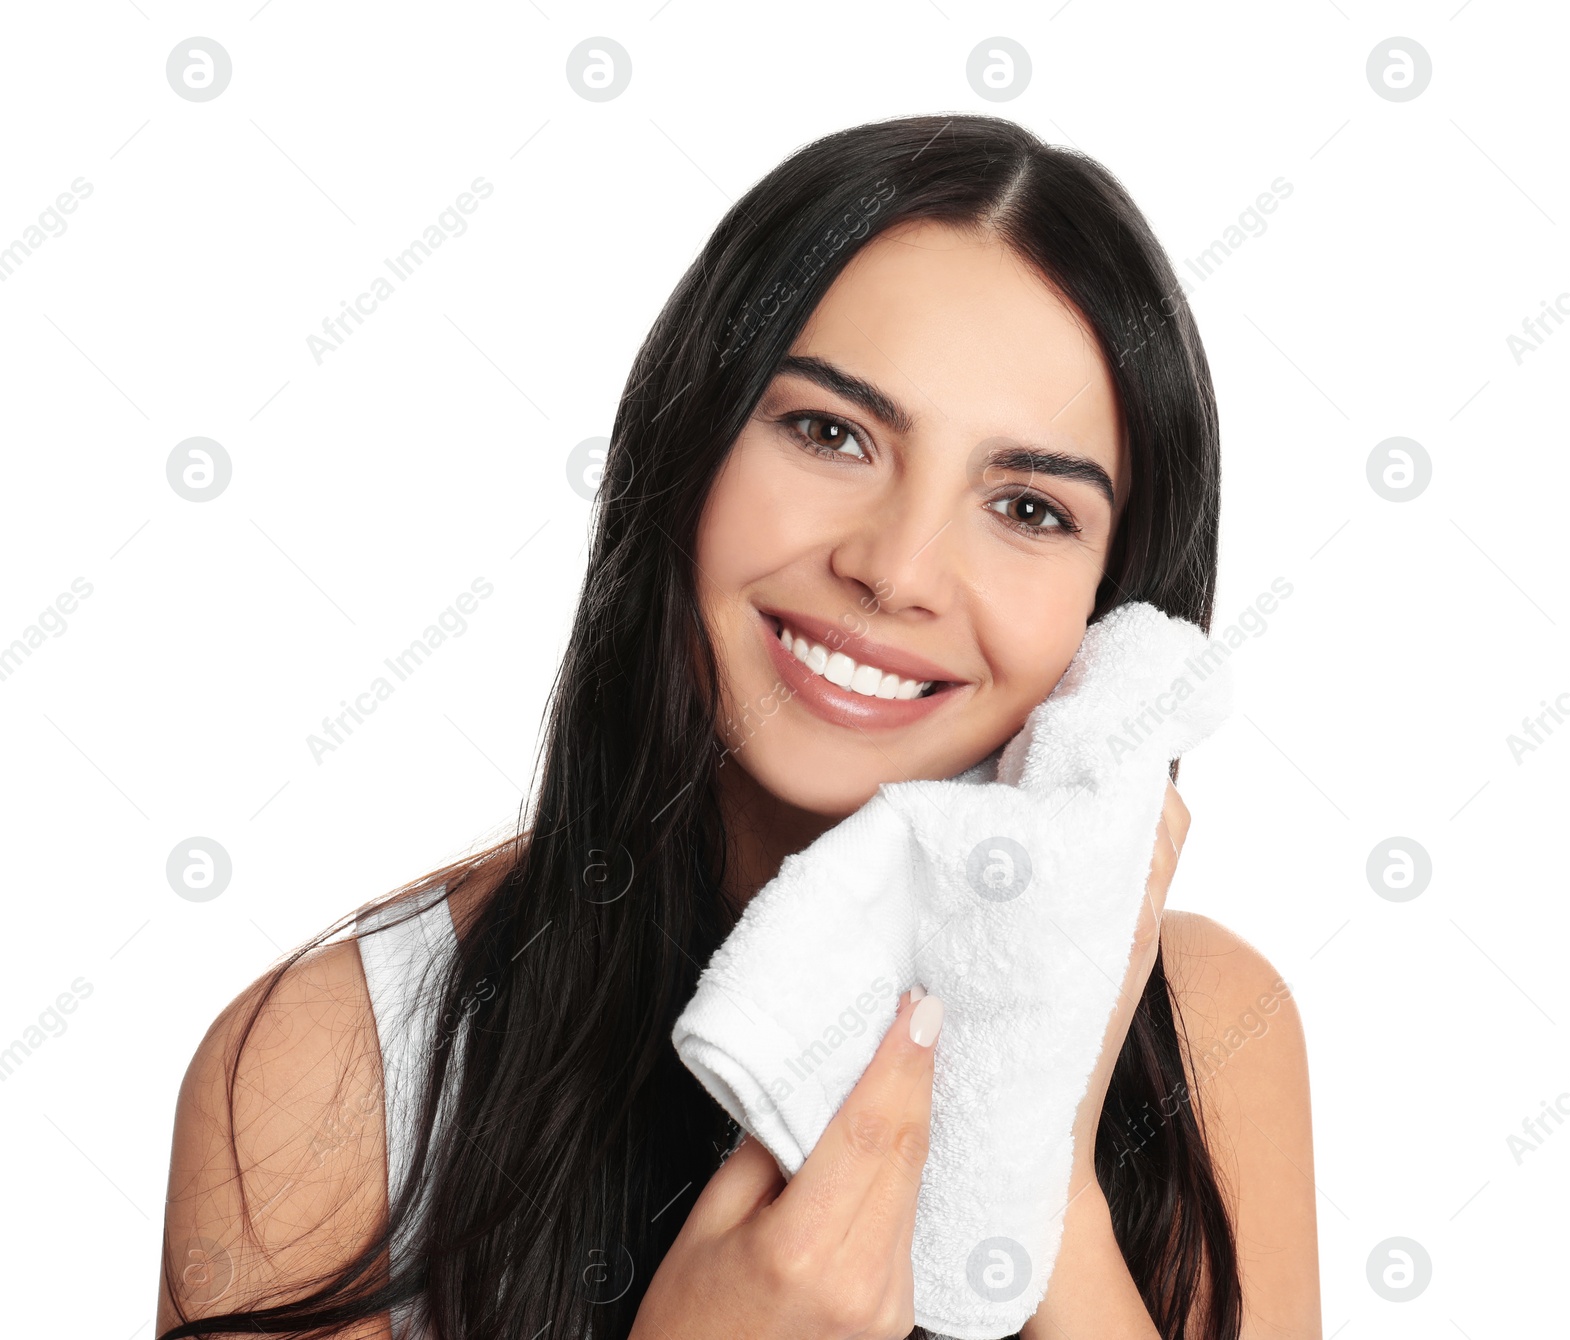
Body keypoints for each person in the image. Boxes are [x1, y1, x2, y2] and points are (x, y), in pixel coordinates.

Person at [156, 113, 1319, 1340]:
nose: (897, 567)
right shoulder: (332, 1061)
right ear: (688, 444)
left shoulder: (1211, 1032)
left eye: (1028, 506)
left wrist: (1040, 1158)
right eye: (830, 432)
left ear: (1119, 626)